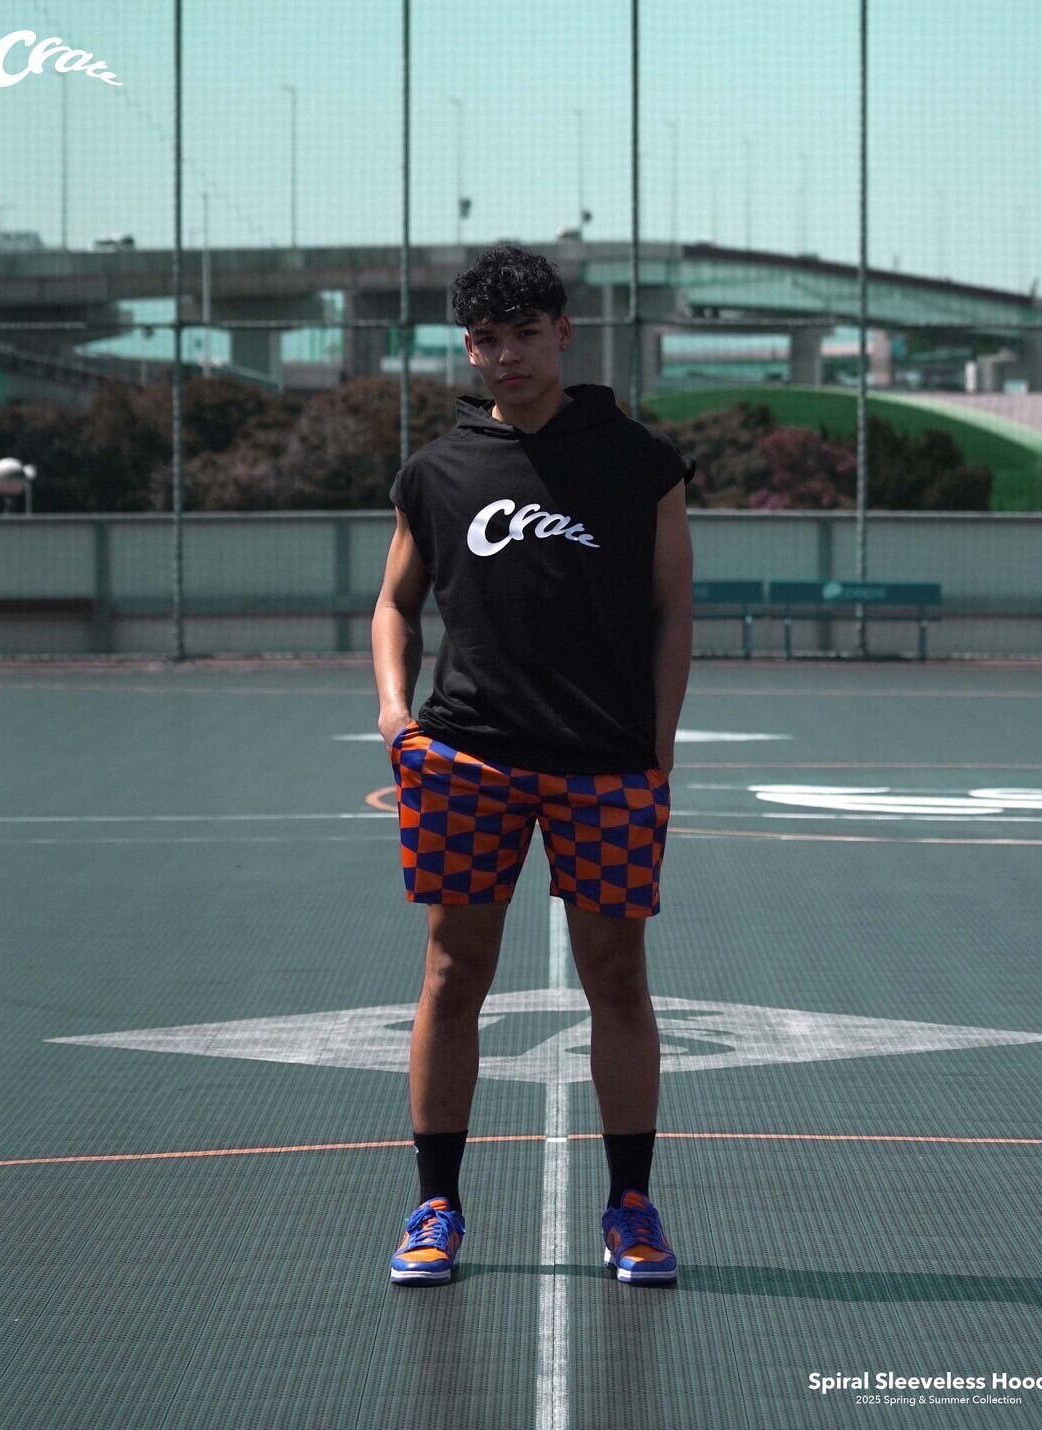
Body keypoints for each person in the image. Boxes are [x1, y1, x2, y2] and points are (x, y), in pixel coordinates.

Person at [371, 245, 695, 1286]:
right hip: (466, 760)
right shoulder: (436, 472)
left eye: (524, 333)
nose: (506, 355)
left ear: (563, 333)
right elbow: (394, 605)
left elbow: (673, 609)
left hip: (606, 765)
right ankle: (435, 1205)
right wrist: (396, 717)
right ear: (468, 348)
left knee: (618, 978)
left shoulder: (641, 463)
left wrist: (657, 747)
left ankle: (632, 1205)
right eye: (486, 339)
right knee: (452, 973)